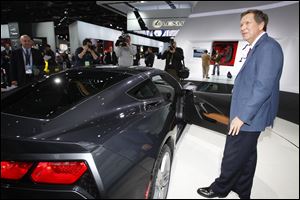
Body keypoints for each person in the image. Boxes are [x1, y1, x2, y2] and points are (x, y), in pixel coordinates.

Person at [197, 9, 283, 199]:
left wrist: (243, 116)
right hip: (249, 113)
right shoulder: (260, 47)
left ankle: (220, 188)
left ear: (261, 25)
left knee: (233, 154)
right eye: (241, 24)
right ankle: (242, 189)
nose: (243, 28)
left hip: (248, 116)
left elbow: (263, 87)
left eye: (247, 23)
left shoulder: (268, 47)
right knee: (247, 155)